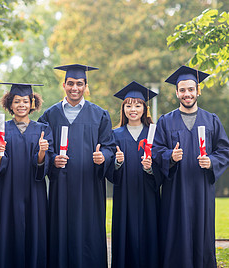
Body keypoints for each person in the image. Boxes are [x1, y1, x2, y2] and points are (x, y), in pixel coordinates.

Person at [38, 64, 116, 268]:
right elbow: (42, 147)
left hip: (89, 186)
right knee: (61, 231)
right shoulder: (50, 115)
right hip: (61, 188)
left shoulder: (100, 115)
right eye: (70, 83)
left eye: (79, 84)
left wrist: (103, 157)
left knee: (88, 231)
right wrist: (53, 158)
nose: (75, 88)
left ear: (85, 86)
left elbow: (109, 147)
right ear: (64, 85)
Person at [152, 65, 229, 268]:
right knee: (175, 236)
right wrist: (170, 156)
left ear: (198, 90)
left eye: (191, 89)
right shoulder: (165, 121)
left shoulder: (211, 120)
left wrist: (212, 161)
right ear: (177, 92)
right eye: (183, 90)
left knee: (202, 237)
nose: (187, 94)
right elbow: (156, 151)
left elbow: (224, 150)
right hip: (175, 192)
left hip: (201, 191)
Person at [0, 82, 54, 268]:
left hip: (34, 190)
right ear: (10, 104)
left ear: (32, 104)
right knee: (8, 231)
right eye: (17, 101)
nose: (21, 105)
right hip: (8, 190)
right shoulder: (0, 129)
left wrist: (42, 152)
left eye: (25, 101)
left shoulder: (43, 129)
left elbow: (45, 163)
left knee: (35, 231)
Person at [109, 81, 161, 268]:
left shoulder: (154, 134)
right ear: (123, 108)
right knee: (125, 236)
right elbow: (108, 169)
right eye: (128, 105)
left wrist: (150, 168)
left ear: (144, 108)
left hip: (148, 195)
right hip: (124, 195)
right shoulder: (115, 135)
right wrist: (117, 162)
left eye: (138, 105)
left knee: (149, 235)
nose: (133, 109)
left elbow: (162, 165)